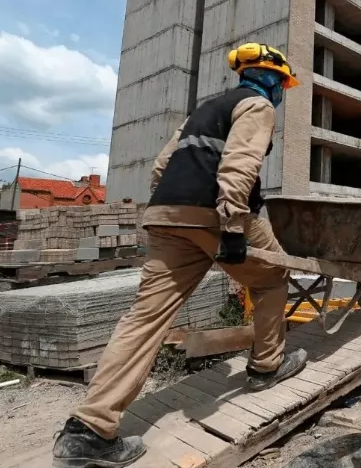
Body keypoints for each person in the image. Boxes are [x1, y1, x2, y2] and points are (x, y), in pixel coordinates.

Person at [52, 43, 308, 468]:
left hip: (169, 213)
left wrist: (174, 208)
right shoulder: (258, 106)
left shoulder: (203, 111)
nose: (282, 91)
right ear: (271, 78)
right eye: (282, 83)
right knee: (272, 278)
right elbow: (239, 164)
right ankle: (266, 366)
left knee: (145, 317)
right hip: (217, 214)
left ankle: (88, 430)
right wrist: (230, 227)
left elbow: (160, 167)